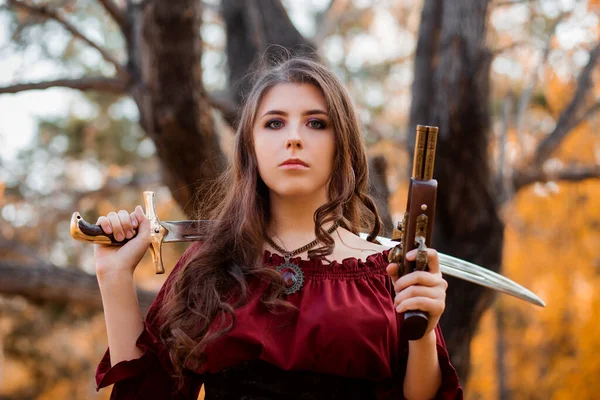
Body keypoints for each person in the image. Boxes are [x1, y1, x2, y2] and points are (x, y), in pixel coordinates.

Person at [93, 56, 462, 400]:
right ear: (250, 147)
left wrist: (425, 332)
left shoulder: (390, 274)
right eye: (274, 122)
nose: (294, 137)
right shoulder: (208, 267)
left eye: (316, 123)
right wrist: (113, 277)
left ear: (343, 144)